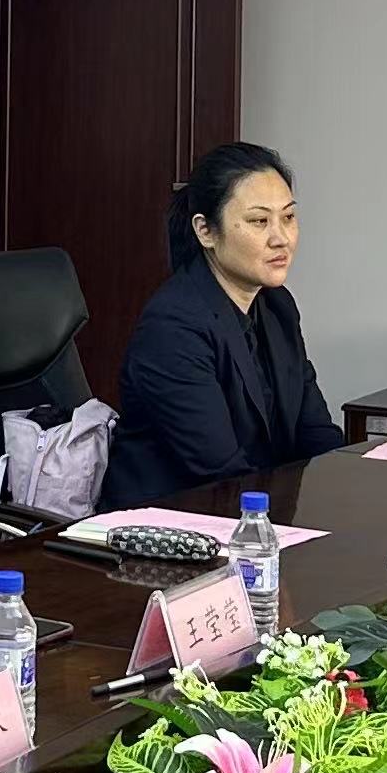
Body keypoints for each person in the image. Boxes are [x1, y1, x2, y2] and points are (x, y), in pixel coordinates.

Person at [105, 140, 348, 509]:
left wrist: (349, 485)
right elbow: (219, 470)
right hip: (170, 524)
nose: (281, 238)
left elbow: (315, 432)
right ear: (205, 231)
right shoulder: (173, 326)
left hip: (249, 511)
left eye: (288, 217)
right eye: (259, 221)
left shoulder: (278, 306)